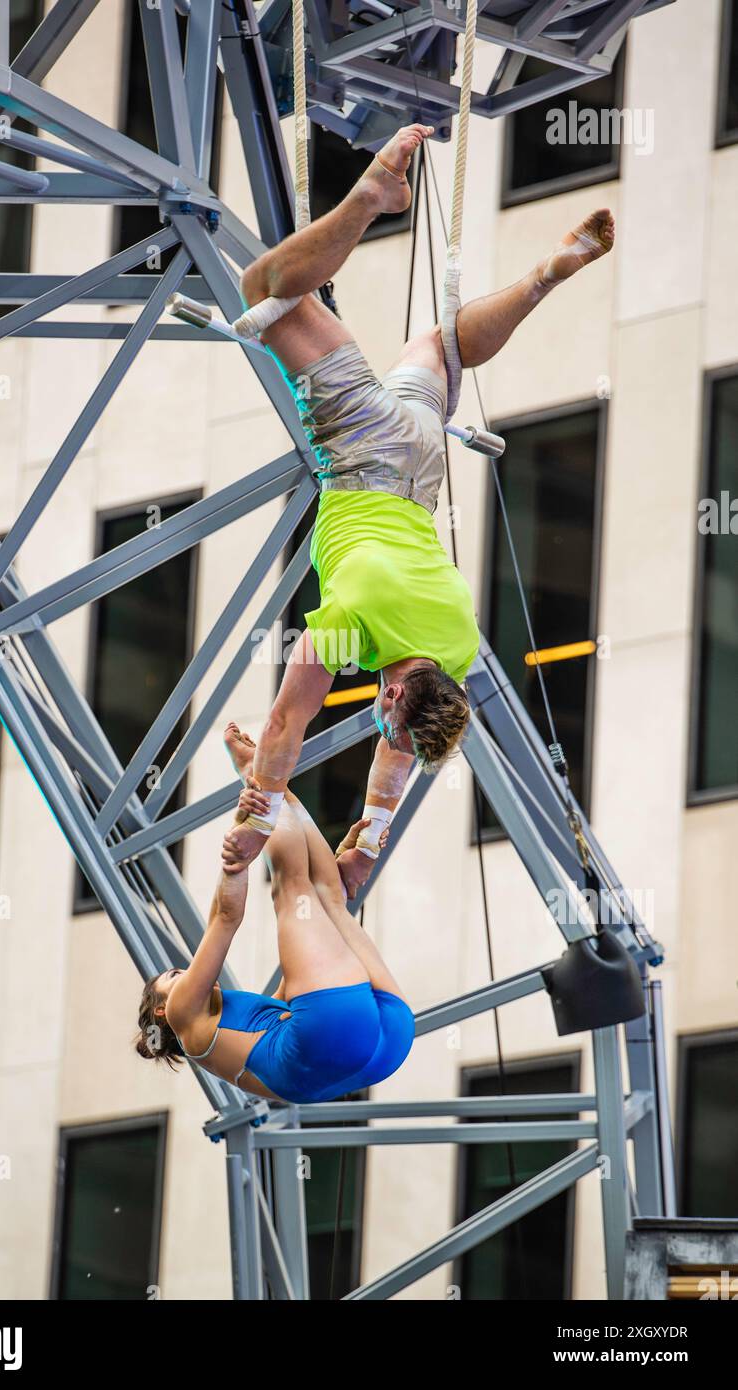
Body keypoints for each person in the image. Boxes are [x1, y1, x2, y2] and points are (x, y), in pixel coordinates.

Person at [225, 123, 614, 898]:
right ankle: (370, 198)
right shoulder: (352, 625)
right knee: (264, 288)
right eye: (383, 711)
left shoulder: (457, 649)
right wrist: (256, 814)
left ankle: (540, 277)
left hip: (420, 459)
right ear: (395, 694)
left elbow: (401, 750)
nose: (378, 717)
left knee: (440, 344)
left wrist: (366, 842)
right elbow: (283, 728)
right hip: (362, 450)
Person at [134, 725, 414, 1103]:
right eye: (173, 977)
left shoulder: (223, 1035)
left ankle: (272, 786)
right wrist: (238, 855)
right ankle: (259, 779)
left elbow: (302, 982)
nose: (184, 973)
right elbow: (225, 918)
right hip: (332, 1036)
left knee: (325, 894)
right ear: (163, 1011)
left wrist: (318, 907)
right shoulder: (184, 1015)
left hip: (384, 1045)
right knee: (291, 887)